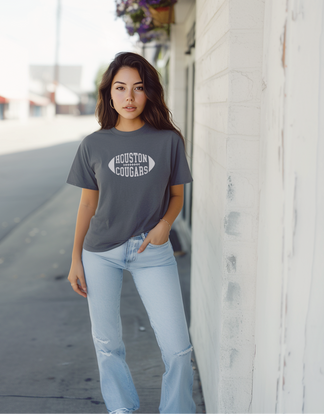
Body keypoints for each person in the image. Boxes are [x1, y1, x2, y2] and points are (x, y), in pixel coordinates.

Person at [66, 51, 196, 416]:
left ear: (149, 92)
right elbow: (87, 206)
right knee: (107, 343)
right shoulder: (93, 144)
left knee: (178, 348)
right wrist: (76, 258)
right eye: (120, 88)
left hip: (152, 252)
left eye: (138, 88)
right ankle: (120, 409)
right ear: (109, 94)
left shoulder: (169, 141)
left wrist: (164, 226)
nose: (129, 97)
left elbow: (176, 197)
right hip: (100, 254)